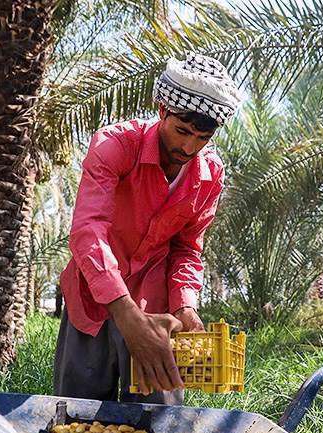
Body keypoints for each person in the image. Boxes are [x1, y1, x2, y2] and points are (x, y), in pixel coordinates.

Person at [53, 53, 242, 405]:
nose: (188, 147)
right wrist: (125, 313)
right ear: (162, 111)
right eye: (182, 131)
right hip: (92, 298)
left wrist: (185, 307)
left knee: (161, 421)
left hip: (157, 308)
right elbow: (87, 232)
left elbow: (188, 248)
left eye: (202, 137)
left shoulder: (210, 175)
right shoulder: (115, 145)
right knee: (79, 417)